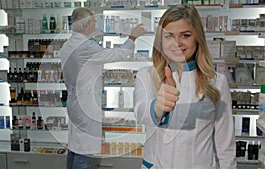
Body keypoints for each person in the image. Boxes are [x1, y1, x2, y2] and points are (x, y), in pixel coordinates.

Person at [133, 4, 236, 169]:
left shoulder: (216, 82)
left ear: (197, 38)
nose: (177, 43)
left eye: (185, 35)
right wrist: (159, 107)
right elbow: (141, 113)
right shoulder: (147, 75)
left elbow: (225, 144)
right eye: (168, 36)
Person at [60, 7, 145, 169]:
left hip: (74, 103)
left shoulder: (67, 45)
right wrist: (132, 38)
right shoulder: (86, 46)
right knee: (84, 153)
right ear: (86, 26)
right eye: (93, 21)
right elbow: (117, 54)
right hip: (86, 105)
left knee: (75, 147)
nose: (95, 24)